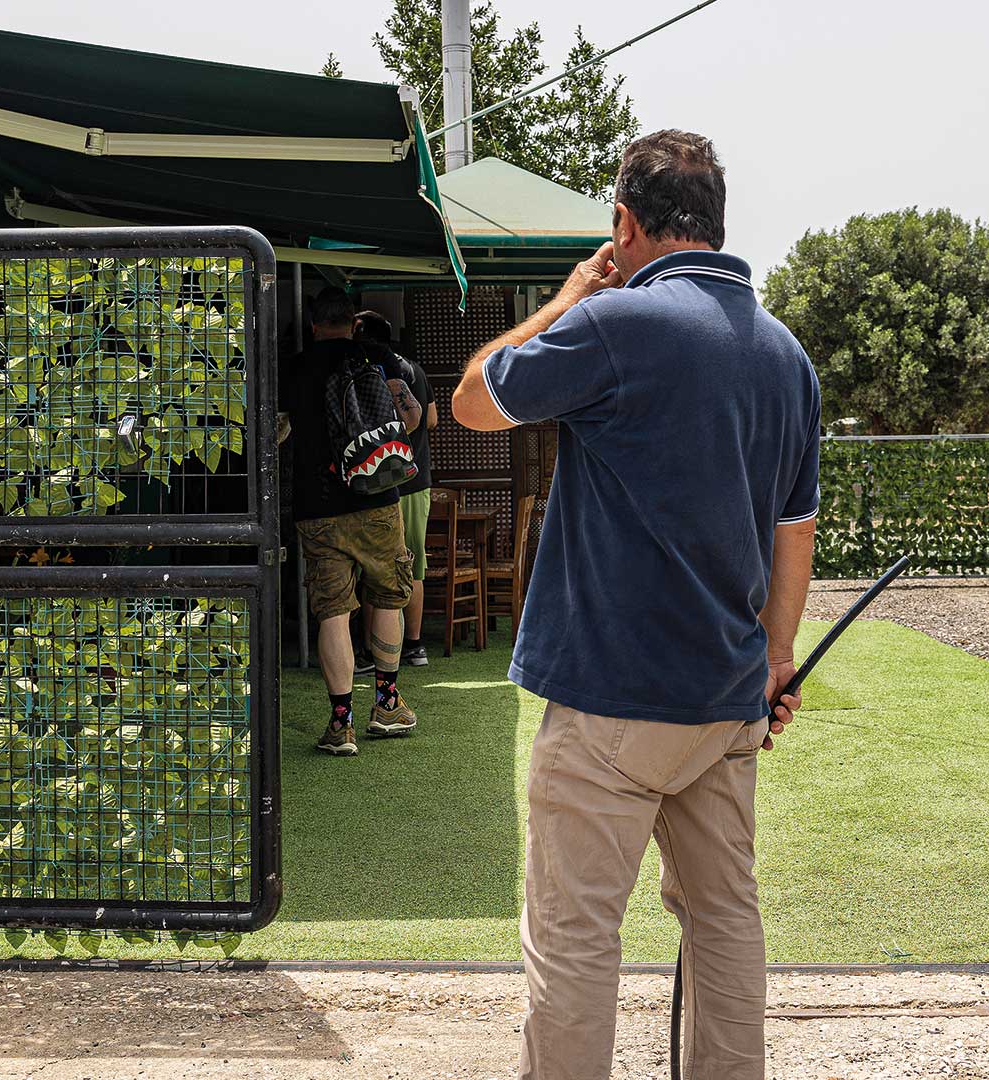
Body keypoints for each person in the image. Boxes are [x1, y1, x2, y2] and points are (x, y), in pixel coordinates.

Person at [450, 131, 820, 1080]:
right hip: (723, 699)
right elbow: (793, 531)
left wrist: (572, 297)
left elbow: (472, 402)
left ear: (625, 222)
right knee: (724, 922)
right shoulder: (786, 358)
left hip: (609, 697)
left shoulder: (615, 324)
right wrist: (776, 660)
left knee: (575, 939)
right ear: (717, 222)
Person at [279, 286, 425, 757]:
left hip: (316, 506)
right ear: (352, 322)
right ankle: (386, 706)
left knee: (333, 611)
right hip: (377, 497)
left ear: (313, 324)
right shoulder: (377, 359)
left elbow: (275, 432)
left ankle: (340, 725)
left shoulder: (295, 369)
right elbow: (413, 419)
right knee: (386, 595)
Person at [354, 310, 435, 670]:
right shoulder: (414, 369)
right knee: (413, 563)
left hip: (378, 481)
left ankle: (371, 653)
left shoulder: (365, 371)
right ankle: (415, 646)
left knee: (377, 567)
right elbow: (430, 419)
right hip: (417, 480)